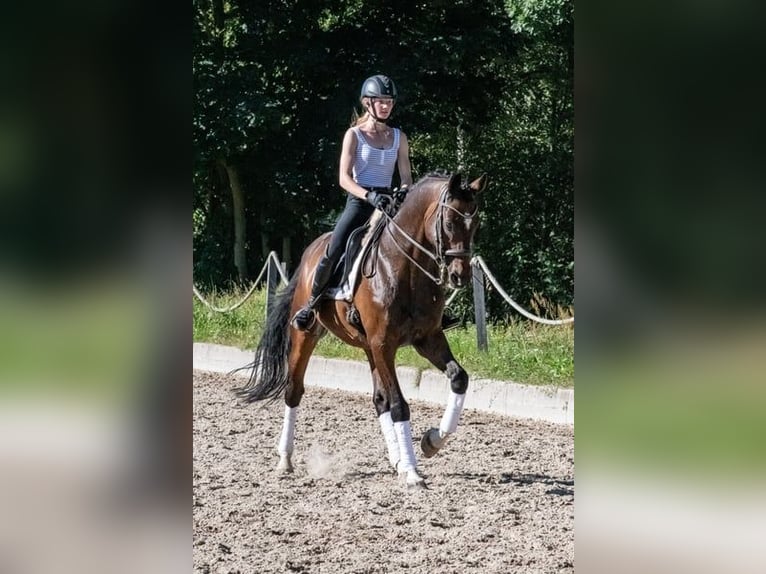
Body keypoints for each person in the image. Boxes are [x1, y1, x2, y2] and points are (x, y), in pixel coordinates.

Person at [291, 74, 459, 332]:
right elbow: (343, 178)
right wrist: (368, 195)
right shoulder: (354, 135)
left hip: (390, 203)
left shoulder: (398, 137)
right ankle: (311, 303)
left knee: (422, 246)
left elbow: (405, 177)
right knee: (336, 245)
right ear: (367, 103)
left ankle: (435, 310)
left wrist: (404, 191)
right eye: (381, 101)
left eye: (389, 102)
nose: (386, 106)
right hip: (360, 201)